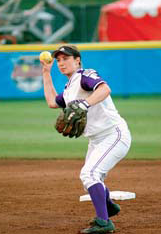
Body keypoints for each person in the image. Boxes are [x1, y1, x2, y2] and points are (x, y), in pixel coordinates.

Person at [41, 45, 131, 234]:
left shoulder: (85, 75)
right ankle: (109, 205)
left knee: (89, 174)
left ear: (77, 60)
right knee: (89, 179)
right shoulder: (68, 89)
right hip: (96, 140)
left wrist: (85, 103)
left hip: (113, 134)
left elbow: (105, 89)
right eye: (58, 60)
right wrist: (46, 72)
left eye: (66, 58)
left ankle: (104, 223)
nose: (61, 63)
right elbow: (51, 102)